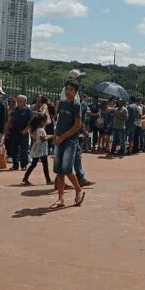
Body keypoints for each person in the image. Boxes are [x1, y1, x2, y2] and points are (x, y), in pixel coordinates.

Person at [51, 80, 85, 208]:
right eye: (66, 89)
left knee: (67, 169)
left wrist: (63, 137)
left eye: (71, 90)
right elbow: (59, 122)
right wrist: (55, 135)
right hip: (59, 139)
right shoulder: (62, 104)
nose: (68, 92)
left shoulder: (76, 105)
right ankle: (61, 198)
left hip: (70, 141)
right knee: (59, 171)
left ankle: (78, 190)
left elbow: (77, 126)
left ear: (75, 92)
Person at [23, 114, 51, 185]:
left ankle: (26, 177)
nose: (45, 123)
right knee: (43, 165)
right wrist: (51, 137)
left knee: (35, 164)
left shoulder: (35, 129)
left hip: (38, 149)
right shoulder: (40, 130)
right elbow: (42, 138)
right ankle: (48, 180)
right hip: (40, 149)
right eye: (44, 121)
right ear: (40, 122)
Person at [8, 95, 33, 170]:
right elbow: (11, 118)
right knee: (14, 149)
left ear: (25, 102)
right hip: (14, 131)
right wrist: (8, 128)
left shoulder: (28, 110)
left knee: (23, 150)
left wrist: (26, 129)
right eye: (18, 100)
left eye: (20, 100)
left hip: (23, 132)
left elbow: (31, 122)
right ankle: (15, 165)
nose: (18, 102)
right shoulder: (15, 109)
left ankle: (24, 165)